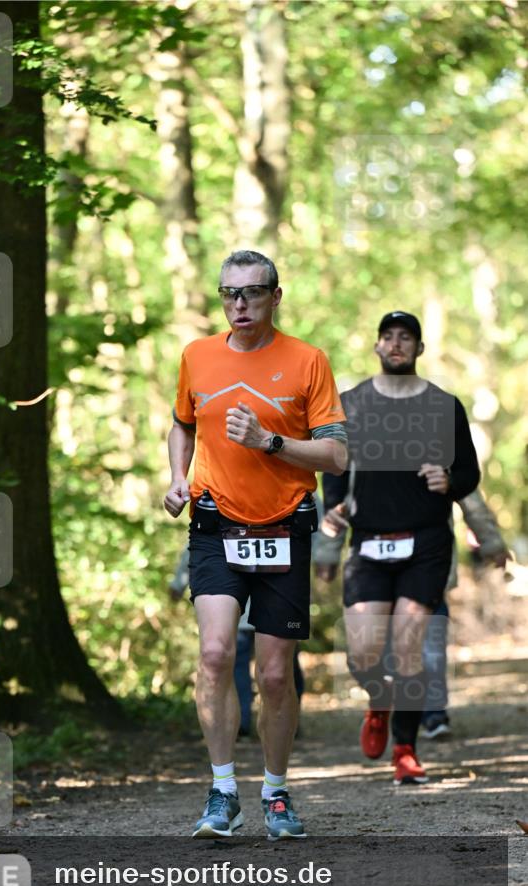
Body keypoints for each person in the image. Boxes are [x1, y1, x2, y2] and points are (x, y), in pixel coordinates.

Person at [163, 249, 347, 838]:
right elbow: (182, 424)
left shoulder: (308, 361)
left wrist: (270, 441)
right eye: (229, 293)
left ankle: (275, 792)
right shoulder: (197, 356)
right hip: (215, 523)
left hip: (285, 526)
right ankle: (222, 792)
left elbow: (336, 455)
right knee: (216, 654)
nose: (239, 303)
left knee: (272, 674)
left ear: (275, 296)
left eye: (252, 292)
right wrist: (177, 477)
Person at [320, 310, 479, 786]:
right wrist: (334, 508)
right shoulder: (352, 404)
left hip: (426, 541)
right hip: (369, 540)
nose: (395, 344)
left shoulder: (444, 405)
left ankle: (405, 750)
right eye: (387, 336)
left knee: (408, 646)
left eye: (405, 337)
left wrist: (450, 480)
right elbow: (334, 464)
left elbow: (469, 472)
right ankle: (378, 699)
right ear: (376, 346)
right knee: (363, 652)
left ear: (419, 348)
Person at [315, 488, 509, 738]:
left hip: (429, 563)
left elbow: (468, 494)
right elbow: (342, 498)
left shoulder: (437, 462)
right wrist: (328, 552)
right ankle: (395, 705)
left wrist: (491, 542)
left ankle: (433, 714)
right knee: (382, 648)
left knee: (430, 647)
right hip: (375, 570)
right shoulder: (368, 461)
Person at [169, 544, 305, 736]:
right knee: (281, 666)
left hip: (258, 611)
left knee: (274, 670)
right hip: (259, 612)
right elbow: (199, 545)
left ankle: (254, 723)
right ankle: (279, 723)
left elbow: (191, 552)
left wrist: (177, 585)